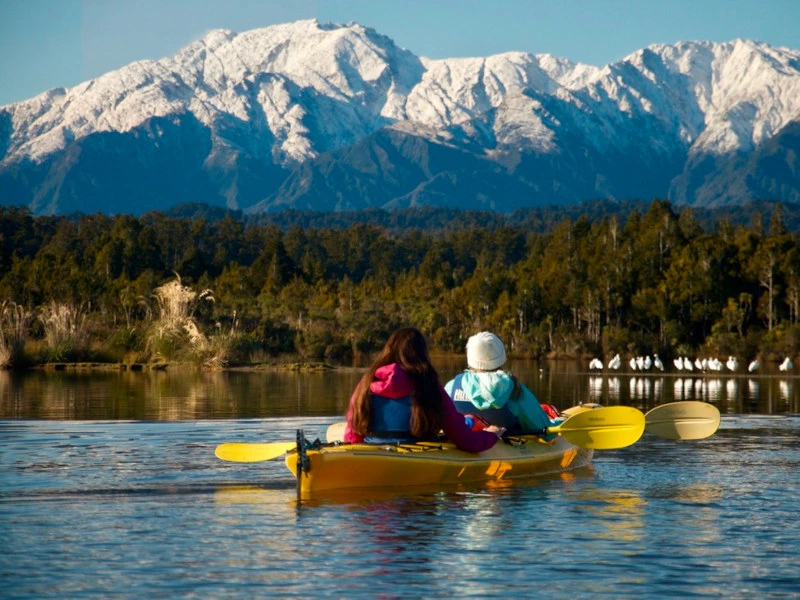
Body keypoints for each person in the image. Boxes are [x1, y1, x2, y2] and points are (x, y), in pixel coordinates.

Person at [344, 327, 503, 452]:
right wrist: (491, 434)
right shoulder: (429, 386)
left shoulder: (366, 383)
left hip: (372, 454)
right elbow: (466, 441)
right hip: (419, 455)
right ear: (422, 354)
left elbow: (351, 437)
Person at [445, 331, 557, 436]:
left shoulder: (451, 386)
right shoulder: (516, 391)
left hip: (465, 442)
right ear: (501, 358)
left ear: (470, 359)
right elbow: (546, 431)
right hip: (508, 444)